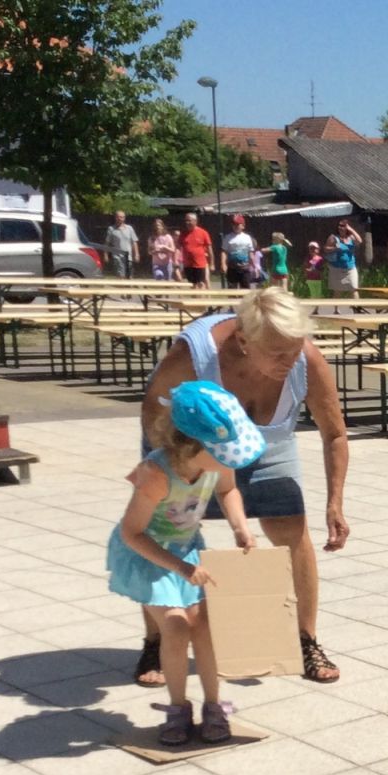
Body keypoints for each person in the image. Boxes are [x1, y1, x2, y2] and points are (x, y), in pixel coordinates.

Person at [134, 287, 350, 687]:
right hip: (191, 443)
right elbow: (153, 409)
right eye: (278, 353)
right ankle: (156, 641)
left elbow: (334, 434)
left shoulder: (305, 359)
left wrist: (335, 503)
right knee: (166, 537)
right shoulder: (195, 354)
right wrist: (178, 469)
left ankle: (305, 639)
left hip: (267, 442)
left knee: (292, 530)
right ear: (244, 340)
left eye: (295, 349)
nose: (290, 361)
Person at [108, 380, 262, 745]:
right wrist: (181, 568)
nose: (230, 460)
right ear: (191, 446)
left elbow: (228, 489)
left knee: (205, 625)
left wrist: (240, 527)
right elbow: (133, 533)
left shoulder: (214, 462)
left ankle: (213, 705)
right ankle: (178, 707)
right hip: (150, 555)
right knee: (176, 628)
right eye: (224, 453)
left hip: (187, 549)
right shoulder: (156, 474)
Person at [220, 215, 257, 290]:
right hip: (232, 268)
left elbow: (251, 253)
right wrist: (223, 264)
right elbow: (224, 252)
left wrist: (254, 266)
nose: (235, 226)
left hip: (244, 268)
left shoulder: (247, 237)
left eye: (237, 224)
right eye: (234, 224)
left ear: (243, 226)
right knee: (232, 290)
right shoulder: (228, 237)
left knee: (245, 290)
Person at [180, 213, 214, 289]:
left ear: (195, 221)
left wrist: (212, 264)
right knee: (192, 285)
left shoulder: (203, 233)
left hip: (200, 264)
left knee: (201, 283)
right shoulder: (183, 234)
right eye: (186, 221)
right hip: (188, 265)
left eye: (189, 220)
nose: (187, 223)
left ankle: (203, 297)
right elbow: (178, 248)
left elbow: (210, 250)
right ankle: (195, 296)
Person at [105, 210, 140, 279]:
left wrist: (137, 254)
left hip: (128, 257)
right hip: (117, 257)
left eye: (122, 217)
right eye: (118, 217)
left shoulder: (129, 228)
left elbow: (134, 242)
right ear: (115, 217)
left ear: (124, 218)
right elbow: (107, 243)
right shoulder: (111, 229)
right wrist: (105, 255)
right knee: (121, 276)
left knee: (129, 276)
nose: (120, 219)